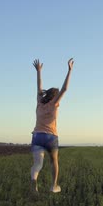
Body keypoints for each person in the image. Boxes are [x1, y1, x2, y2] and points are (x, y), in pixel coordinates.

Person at [30, 58, 73, 194]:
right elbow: (65, 88)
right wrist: (69, 70)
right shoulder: (54, 103)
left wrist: (39, 71)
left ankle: (34, 183)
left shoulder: (39, 102)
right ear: (55, 96)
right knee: (54, 161)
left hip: (37, 136)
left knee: (38, 164)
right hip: (51, 137)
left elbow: (39, 86)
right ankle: (53, 186)